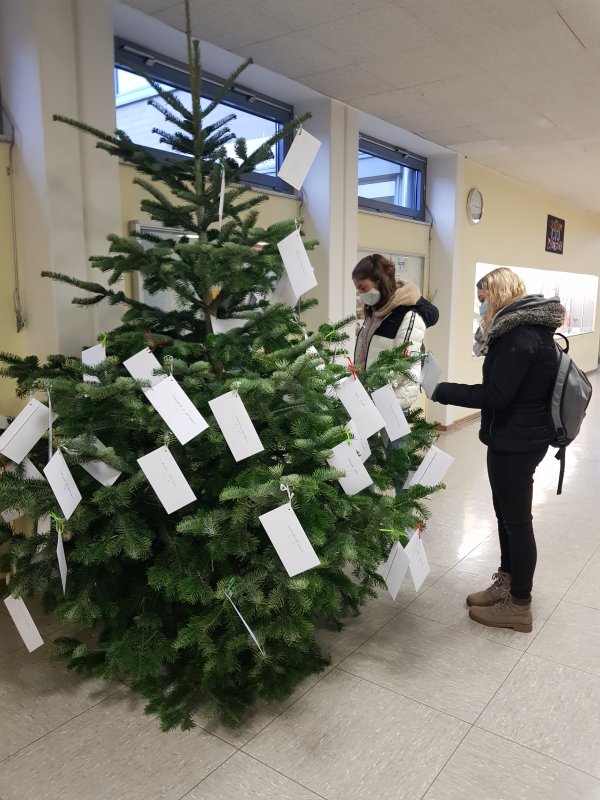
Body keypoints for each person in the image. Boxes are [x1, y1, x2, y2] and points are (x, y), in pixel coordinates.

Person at [432, 267, 564, 633]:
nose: (481, 308)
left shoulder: (519, 337)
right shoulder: (526, 332)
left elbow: (495, 397)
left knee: (517, 523)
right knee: (507, 517)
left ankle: (519, 605)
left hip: (517, 442)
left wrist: (441, 390)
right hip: (518, 437)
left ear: (500, 294)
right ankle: (506, 582)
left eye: (484, 299)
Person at [352, 253, 438, 409]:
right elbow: (363, 350)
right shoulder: (373, 311)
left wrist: (374, 386)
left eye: (363, 287)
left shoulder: (407, 314)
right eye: (357, 288)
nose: (359, 293)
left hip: (393, 398)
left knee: (394, 435)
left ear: (379, 282)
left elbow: (402, 364)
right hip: (370, 393)